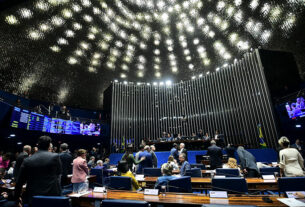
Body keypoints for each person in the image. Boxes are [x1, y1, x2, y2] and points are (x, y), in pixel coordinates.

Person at [15, 136, 62, 205]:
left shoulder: (27, 160)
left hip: (33, 196)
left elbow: (20, 181)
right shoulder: (55, 157)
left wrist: (17, 197)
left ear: (37, 145)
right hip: (52, 195)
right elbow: (59, 172)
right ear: (49, 145)